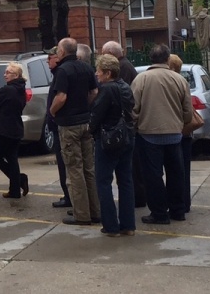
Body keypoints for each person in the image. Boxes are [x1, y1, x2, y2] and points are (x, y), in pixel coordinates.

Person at [131, 44, 193, 225]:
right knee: (176, 174)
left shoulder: (141, 79)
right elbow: (187, 111)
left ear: (150, 58)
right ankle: (178, 210)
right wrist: (180, 122)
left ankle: (159, 212)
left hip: (149, 134)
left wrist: (135, 126)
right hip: (174, 133)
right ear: (168, 59)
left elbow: (133, 108)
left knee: (153, 176)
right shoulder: (179, 80)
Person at [50, 37, 100, 225]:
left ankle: (82, 214)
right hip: (86, 122)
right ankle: (95, 210)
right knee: (89, 168)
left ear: (63, 52)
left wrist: (52, 111)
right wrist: (84, 106)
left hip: (69, 125)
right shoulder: (86, 67)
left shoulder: (63, 70)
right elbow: (94, 92)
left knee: (74, 169)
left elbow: (61, 97)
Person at [90, 54, 136, 237]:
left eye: (99, 71)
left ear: (108, 73)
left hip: (109, 138)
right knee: (125, 181)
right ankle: (128, 225)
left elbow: (97, 114)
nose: (97, 74)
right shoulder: (125, 86)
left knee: (103, 181)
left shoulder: (107, 89)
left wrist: (91, 129)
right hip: (127, 136)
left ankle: (110, 226)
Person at [101, 41, 142, 208]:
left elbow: (117, 100)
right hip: (127, 126)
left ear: (111, 54)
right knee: (129, 171)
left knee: (128, 172)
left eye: (103, 53)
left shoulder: (122, 69)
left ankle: (137, 199)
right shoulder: (126, 66)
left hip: (122, 128)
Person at [0, 61, 28, 199]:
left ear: (16, 75)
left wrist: (0, 107)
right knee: (12, 158)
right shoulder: (21, 89)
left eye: (8, 72)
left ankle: (19, 180)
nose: (5, 75)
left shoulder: (7, 89)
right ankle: (15, 190)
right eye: (5, 72)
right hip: (16, 128)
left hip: (4, 129)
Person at [45, 46, 72, 208]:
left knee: (65, 164)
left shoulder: (61, 73)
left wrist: (52, 112)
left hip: (61, 126)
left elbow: (61, 98)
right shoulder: (57, 74)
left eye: (50, 58)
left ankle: (69, 197)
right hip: (57, 127)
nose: (48, 62)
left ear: (58, 57)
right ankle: (67, 195)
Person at [168, 53, 194, 216]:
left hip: (177, 131)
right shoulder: (182, 82)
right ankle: (185, 202)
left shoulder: (174, 83)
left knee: (176, 171)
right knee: (184, 170)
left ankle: (177, 203)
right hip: (186, 132)